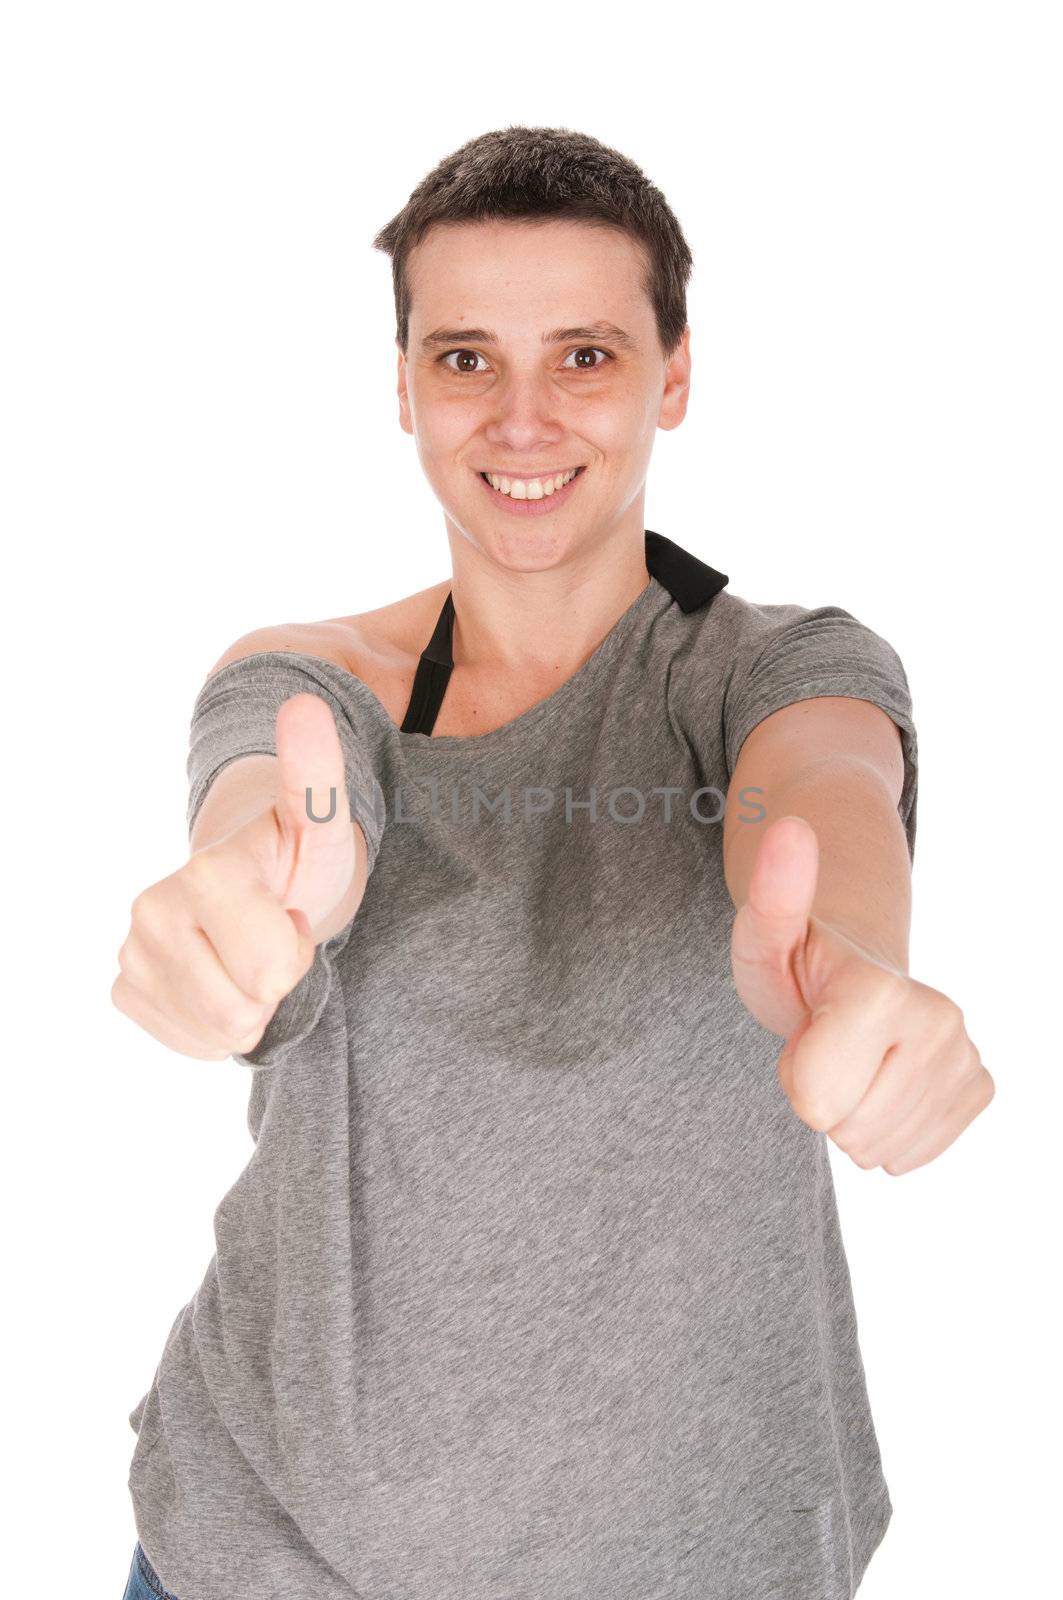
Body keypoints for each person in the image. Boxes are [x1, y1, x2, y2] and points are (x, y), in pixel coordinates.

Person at [113, 125, 994, 1599]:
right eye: (466, 360)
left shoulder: (774, 664)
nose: (522, 418)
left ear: (675, 375)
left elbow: (826, 791)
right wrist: (243, 899)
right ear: (402, 388)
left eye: (583, 355)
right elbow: (268, 800)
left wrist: (852, 966)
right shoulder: (310, 675)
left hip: (709, 1563)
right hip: (271, 1557)